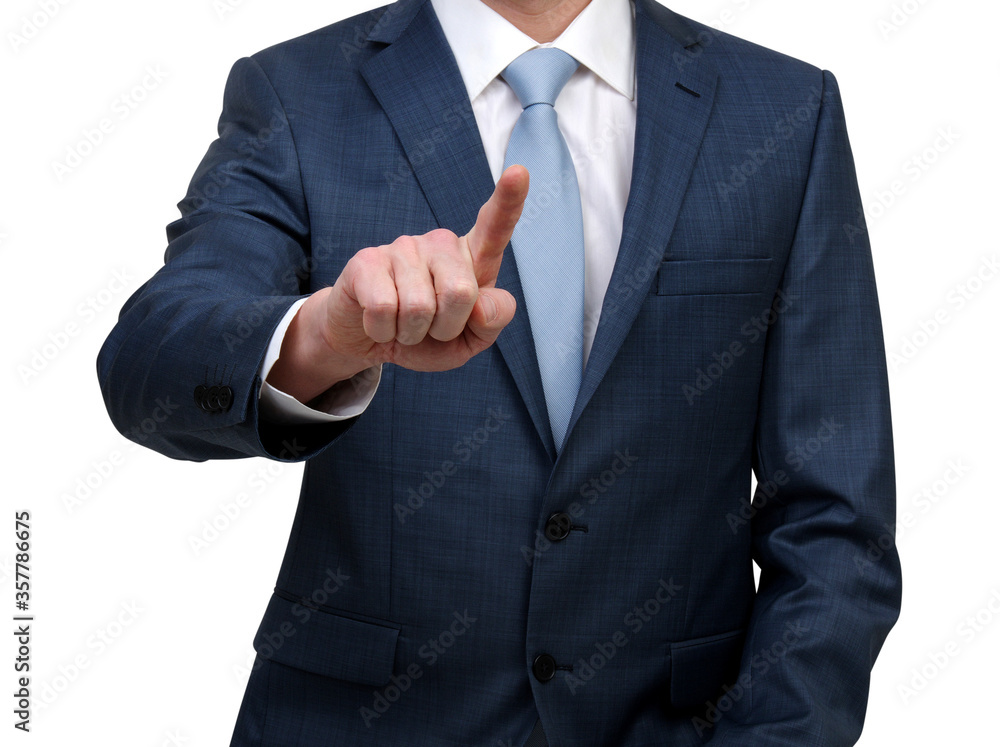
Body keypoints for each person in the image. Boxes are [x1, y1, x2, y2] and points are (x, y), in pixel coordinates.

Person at [97, 0, 902, 744]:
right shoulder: (297, 93)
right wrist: (324, 339)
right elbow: (151, 365)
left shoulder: (786, 113)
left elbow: (836, 527)